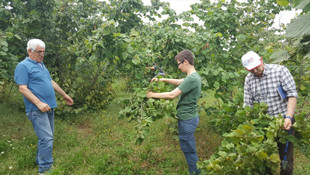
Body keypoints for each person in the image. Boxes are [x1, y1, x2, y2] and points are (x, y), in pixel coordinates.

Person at [14, 39, 74, 174]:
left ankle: (39, 160)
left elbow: (50, 81)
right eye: (39, 52)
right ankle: (45, 169)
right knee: (47, 138)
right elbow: (23, 89)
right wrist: (39, 103)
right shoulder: (23, 66)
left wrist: (64, 95)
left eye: (43, 52)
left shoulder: (41, 65)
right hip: (36, 109)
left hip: (49, 107)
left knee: (46, 137)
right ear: (30, 51)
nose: (42, 54)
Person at [241, 51, 298, 175]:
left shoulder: (280, 71)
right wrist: (248, 126)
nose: (255, 70)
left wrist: (288, 117)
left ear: (261, 60)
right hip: (263, 126)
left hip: (284, 121)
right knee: (264, 159)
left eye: (257, 66)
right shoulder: (249, 80)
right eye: (251, 69)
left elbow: (292, 95)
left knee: (286, 159)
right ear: (246, 69)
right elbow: (247, 105)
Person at [147, 50, 201, 175]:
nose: (178, 66)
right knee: (189, 149)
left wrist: (151, 95)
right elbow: (178, 82)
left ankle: (195, 173)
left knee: (189, 151)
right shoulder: (193, 76)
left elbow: (172, 95)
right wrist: (162, 80)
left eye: (179, 64)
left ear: (185, 62)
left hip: (187, 120)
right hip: (189, 118)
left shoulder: (192, 78)